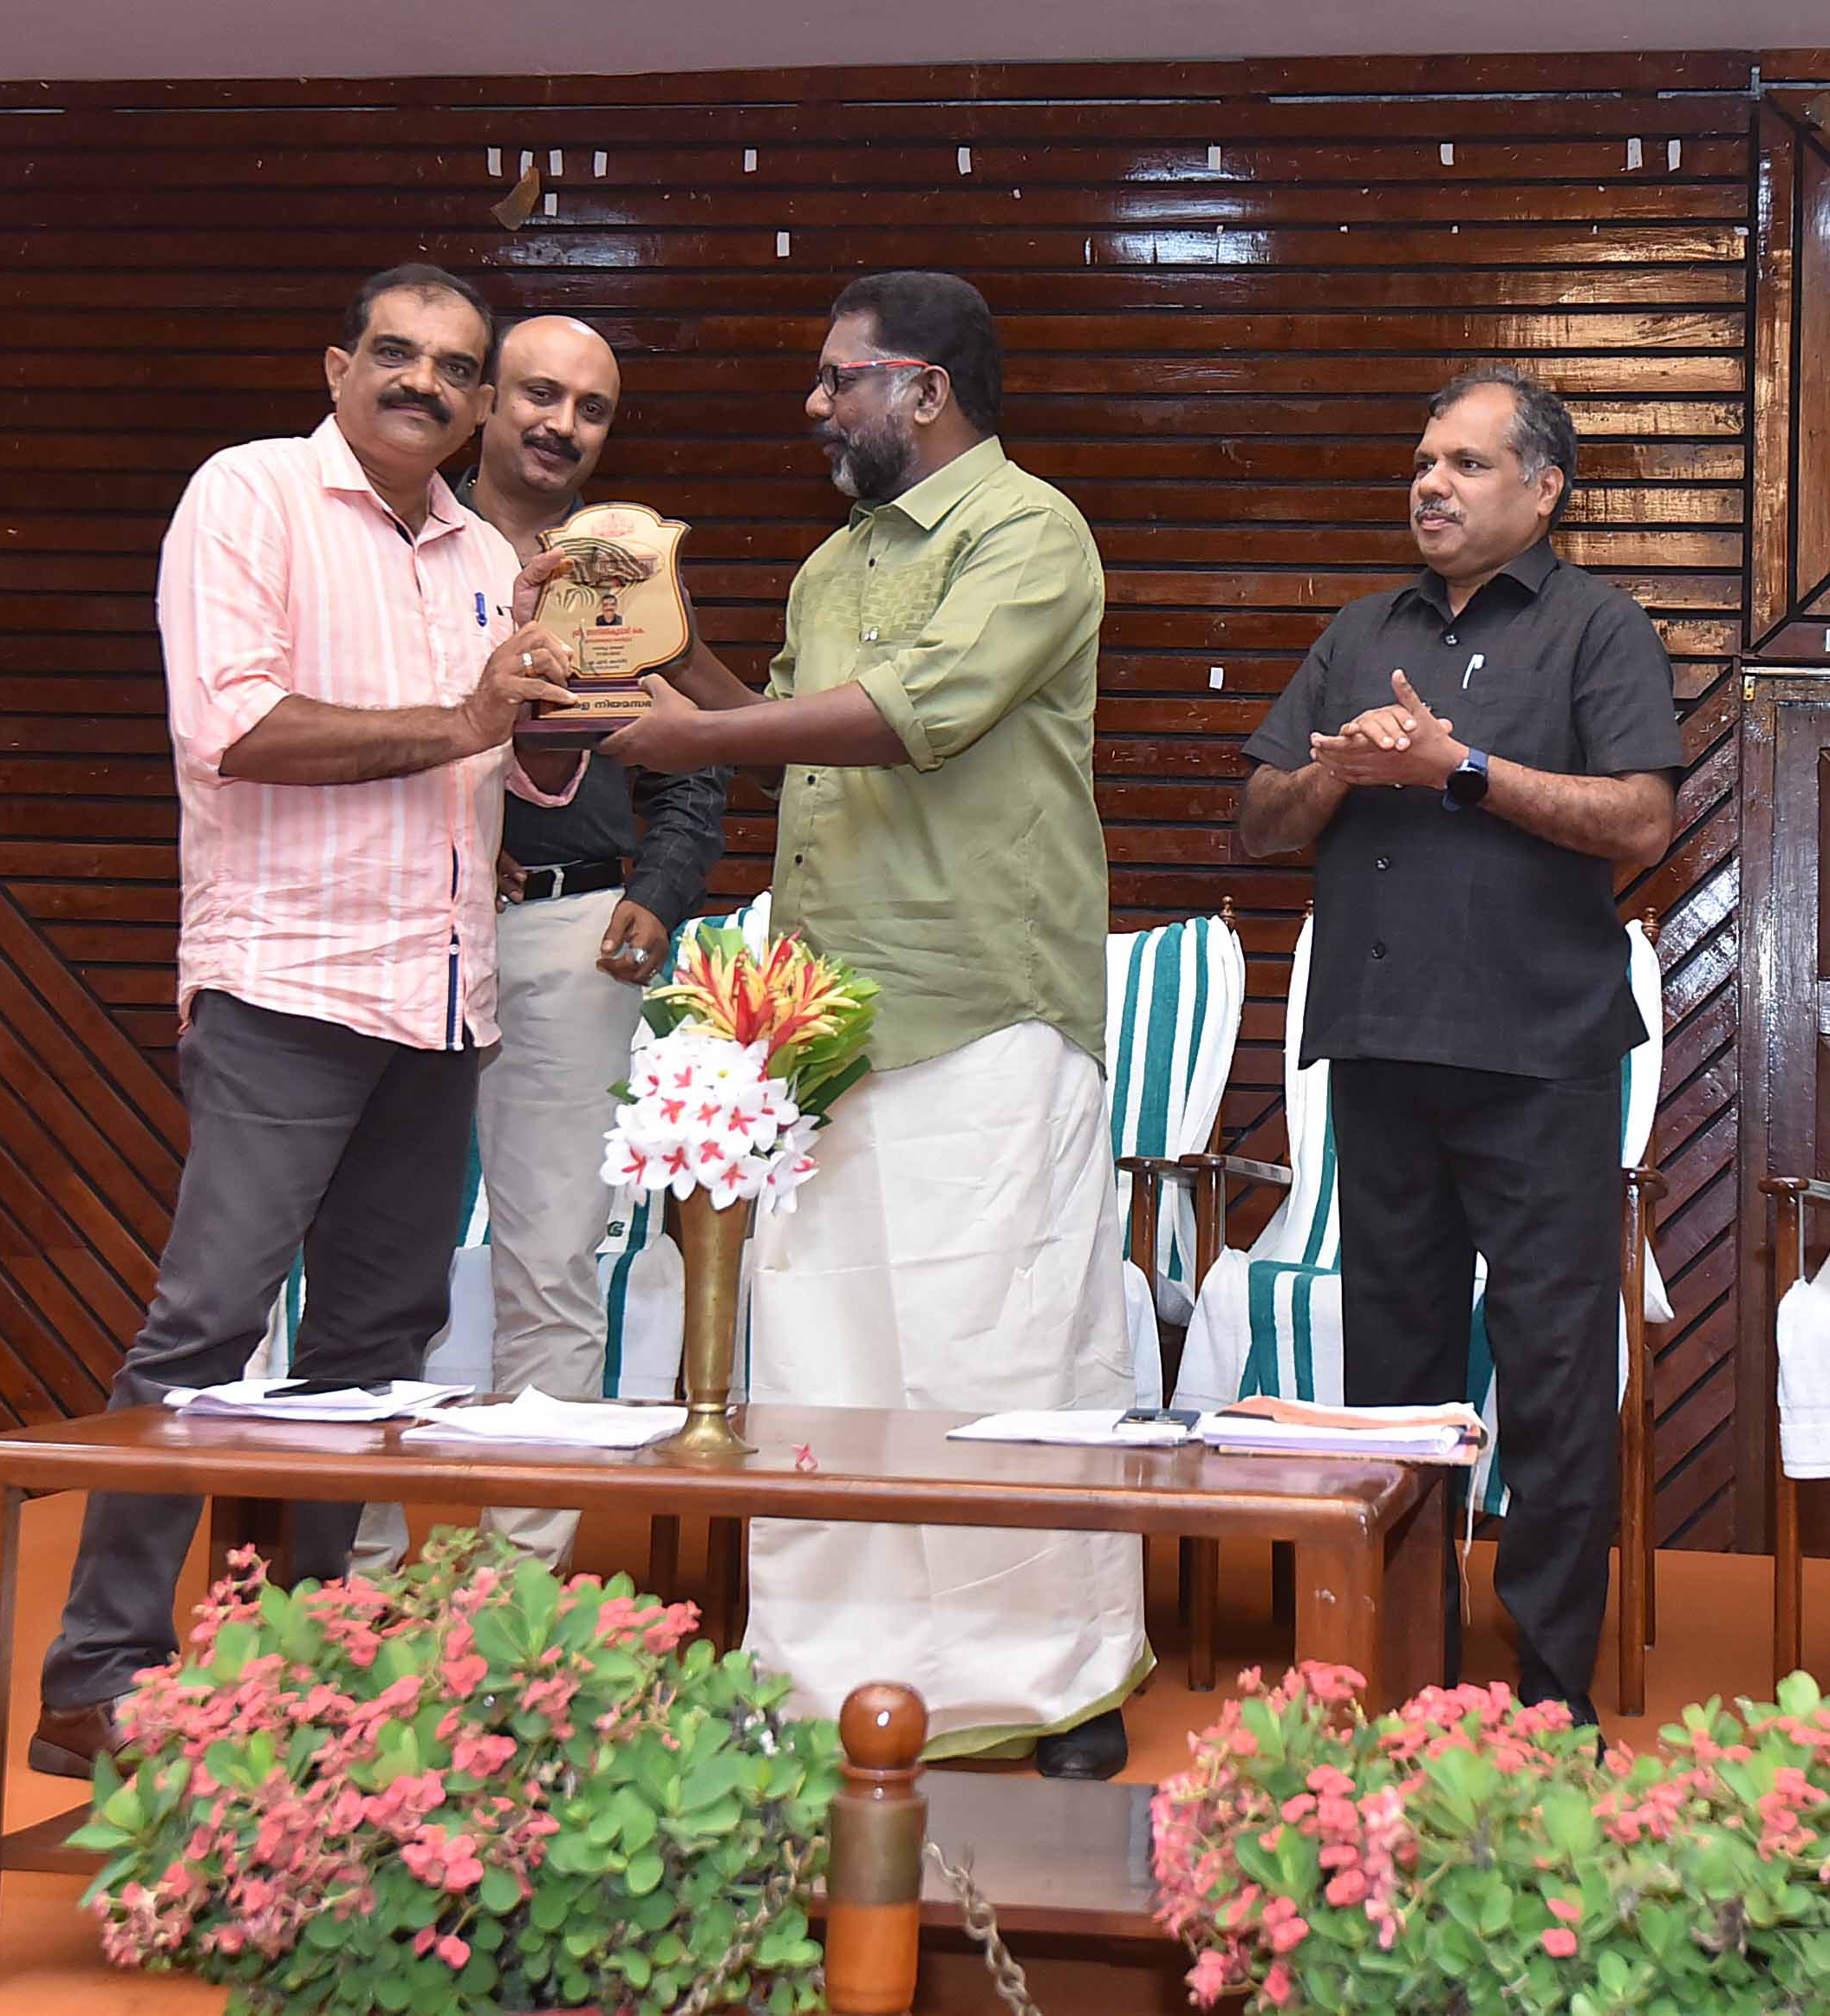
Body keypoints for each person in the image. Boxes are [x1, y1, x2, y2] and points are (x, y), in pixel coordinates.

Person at [31, 264, 589, 1777]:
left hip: (439, 994)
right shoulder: (249, 496)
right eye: (395, 354)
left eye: (456, 369)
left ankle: (304, 1658)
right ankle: (98, 1673)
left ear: (477, 405)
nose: (425, 383)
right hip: (288, 978)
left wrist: (560, 698)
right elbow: (233, 725)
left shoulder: (486, 551)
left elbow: (511, 765)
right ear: (337, 365)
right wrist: (469, 718)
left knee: (374, 1348)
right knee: (208, 1327)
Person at [604, 271, 1144, 1779]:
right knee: (829, 1354)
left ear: (925, 390)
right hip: (822, 1017)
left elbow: (923, 713)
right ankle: (829, 1673)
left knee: (997, 1348)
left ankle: (1055, 1681)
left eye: (839, 377)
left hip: (980, 1003)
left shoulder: (1030, 530)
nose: (816, 403)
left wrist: (705, 726)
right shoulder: (832, 561)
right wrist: (660, 646)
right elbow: (785, 733)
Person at [1233, 365, 1680, 1724]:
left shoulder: (1599, 627)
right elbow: (1257, 821)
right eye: (1423, 462)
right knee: (1393, 1385)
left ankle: (1550, 1694)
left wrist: (1460, 769)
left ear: (1543, 491)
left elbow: (1640, 820)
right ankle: (1409, 1670)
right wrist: (1337, 768)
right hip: (1379, 1051)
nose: (1430, 483)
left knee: (1553, 1377)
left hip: (1541, 1057)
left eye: (1465, 464)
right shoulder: (1359, 629)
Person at [348, 316, 733, 1570]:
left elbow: (697, 761)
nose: (561, 424)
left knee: (555, 1263)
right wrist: (464, 842)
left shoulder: (627, 568)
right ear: (481, 403)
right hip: (405, 928)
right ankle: (357, 1578)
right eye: (538, 394)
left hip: (577, 938)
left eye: (592, 408)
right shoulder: (399, 546)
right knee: (373, 1263)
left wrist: (658, 895)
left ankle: (513, 1592)